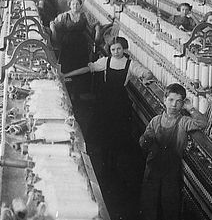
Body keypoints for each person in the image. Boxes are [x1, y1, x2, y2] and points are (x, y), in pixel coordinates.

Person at [138, 83, 207, 220]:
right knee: (149, 209)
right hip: (152, 170)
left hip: (170, 172)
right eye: (171, 100)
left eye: (179, 102)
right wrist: (145, 141)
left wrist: (191, 108)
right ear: (164, 100)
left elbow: (202, 123)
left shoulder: (184, 122)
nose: (174, 105)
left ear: (182, 103)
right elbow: (143, 141)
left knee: (171, 212)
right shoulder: (155, 121)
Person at [62, 37, 152, 170]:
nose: (116, 52)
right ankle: (101, 160)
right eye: (113, 49)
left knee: (117, 132)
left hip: (120, 102)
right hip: (105, 101)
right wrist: (67, 75)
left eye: (119, 49)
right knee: (102, 130)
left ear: (124, 48)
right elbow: (88, 68)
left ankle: (114, 162)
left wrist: (145, 79)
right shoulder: (106, 61)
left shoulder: (130, 64)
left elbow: (147, 73)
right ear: (109, 50)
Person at [50, 0, 93, 82]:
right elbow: (53, 24)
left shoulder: (85, 15)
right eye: (73, 4)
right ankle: (66, 82)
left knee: (80, 64)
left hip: (81, 44)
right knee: (67, 64)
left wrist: (97, 33)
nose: (75, 6)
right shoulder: (64, 16)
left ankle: (79, 85)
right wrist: (54, 32)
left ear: (80, 5)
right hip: (68, 44)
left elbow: (94, 24)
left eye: (77, 4)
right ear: (69, 5)